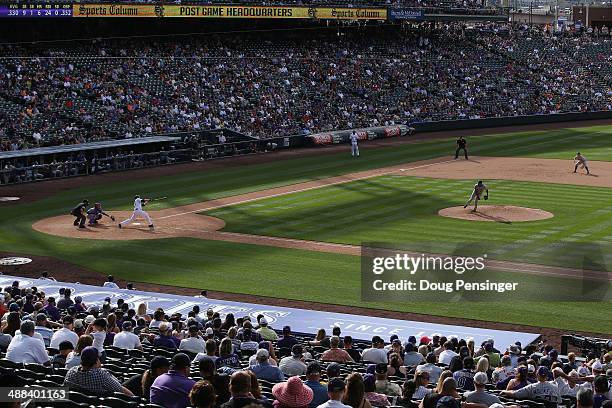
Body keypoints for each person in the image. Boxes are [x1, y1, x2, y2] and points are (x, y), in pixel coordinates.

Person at [63, 346, 134, 396]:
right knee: (137, 378)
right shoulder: (101, 375)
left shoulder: (71, 372)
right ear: (96, 361)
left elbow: (63, 391)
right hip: (104, 399)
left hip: (81, 402)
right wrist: (135, 399)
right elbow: (121, 390)